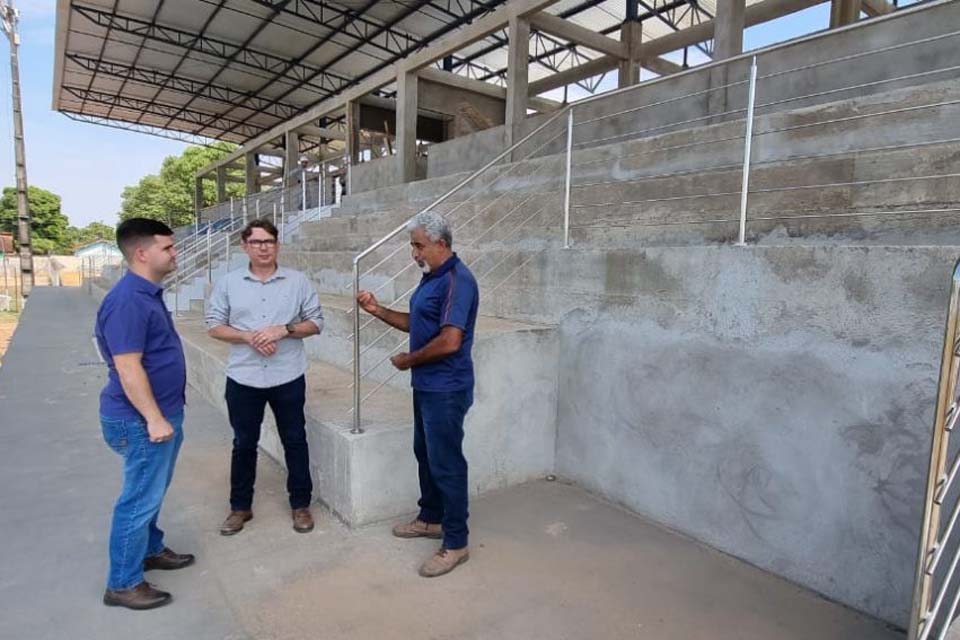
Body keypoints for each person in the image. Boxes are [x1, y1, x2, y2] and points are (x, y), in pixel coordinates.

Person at [357, 211, 479, 578]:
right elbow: (419, 324)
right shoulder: (431, 279)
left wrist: (409, 359)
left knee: (446, 462)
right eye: (413, 245)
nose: (414, 253)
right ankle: (431, 518)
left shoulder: (459, 281)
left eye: (418, 245)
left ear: (441, 244)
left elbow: (450, 340)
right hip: (426, 386)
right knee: (424, 453)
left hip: (447, 388)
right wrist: (377, 310)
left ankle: (456, 542)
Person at [95, 218, 194, 610]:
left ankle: (150, 549)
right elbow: (128, 367)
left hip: (160, 414)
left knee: (152, 491)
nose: (175, 253)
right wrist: (154, 418)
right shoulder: (128, 301)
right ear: (141, 253)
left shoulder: (146, 294)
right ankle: (122, 582)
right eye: (167, 248)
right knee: (138, 499)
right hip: (140, 420)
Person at [206, 219, 323, 535]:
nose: (263, 247)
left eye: (269, 241)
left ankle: (301, 505)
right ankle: (239, 507)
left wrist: (282, 330)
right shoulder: (229, 282)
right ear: (244, 246)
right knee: (244, 443)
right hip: (244, 378)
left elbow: (316, 322)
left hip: (287, 375)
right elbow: (214, 325)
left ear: (277, 245)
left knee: (294, 440)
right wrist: (249, 337)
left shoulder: (297, 281)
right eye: (256, 242)